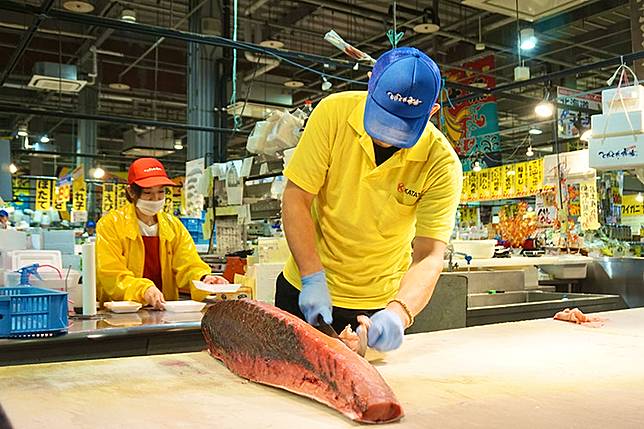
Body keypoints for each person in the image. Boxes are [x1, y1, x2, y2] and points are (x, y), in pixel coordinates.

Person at [277, 47, 463, 352]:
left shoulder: (441, 163)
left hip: (375, 309)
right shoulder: (332, 114)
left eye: (402, 126)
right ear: (369, 83)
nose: (387, 136)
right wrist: (311, 276)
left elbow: (429, 254)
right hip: (306, 288)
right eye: (383, 118)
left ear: (431, 112)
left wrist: (399, 313)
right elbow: (297, 198)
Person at [96, 158, 226, 309]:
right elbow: (110, 273)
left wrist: (204, 278)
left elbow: (188, 263)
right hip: (122, 312)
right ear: (131, 192)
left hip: (164, 309)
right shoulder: (110, 224)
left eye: (160, 192)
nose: (155, 199)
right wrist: (142, 290)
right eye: (148, 193)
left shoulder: (173, 225)